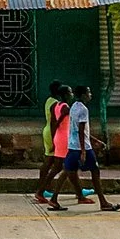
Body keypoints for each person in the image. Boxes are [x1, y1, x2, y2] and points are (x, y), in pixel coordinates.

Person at [68, 87, 120, 212]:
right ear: (83, 95)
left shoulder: (73, 107)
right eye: (88, 92)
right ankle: (103, 202)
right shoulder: (83, 110)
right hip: (83, 146)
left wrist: (95, 140)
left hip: (72, 145)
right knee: (95, 172)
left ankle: (57, 197)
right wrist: (84, 150)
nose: (90, 94)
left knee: (69, 171)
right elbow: (81, 130)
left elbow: (79, 130)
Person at [38, 80, 70, 210]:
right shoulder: (57, 104)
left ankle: (42, 188)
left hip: (50, 131)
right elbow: (54, 123)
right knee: (54, 164)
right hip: (54, 133)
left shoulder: (49, 101)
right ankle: (42, 189)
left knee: (51, 163)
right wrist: (54, 140)